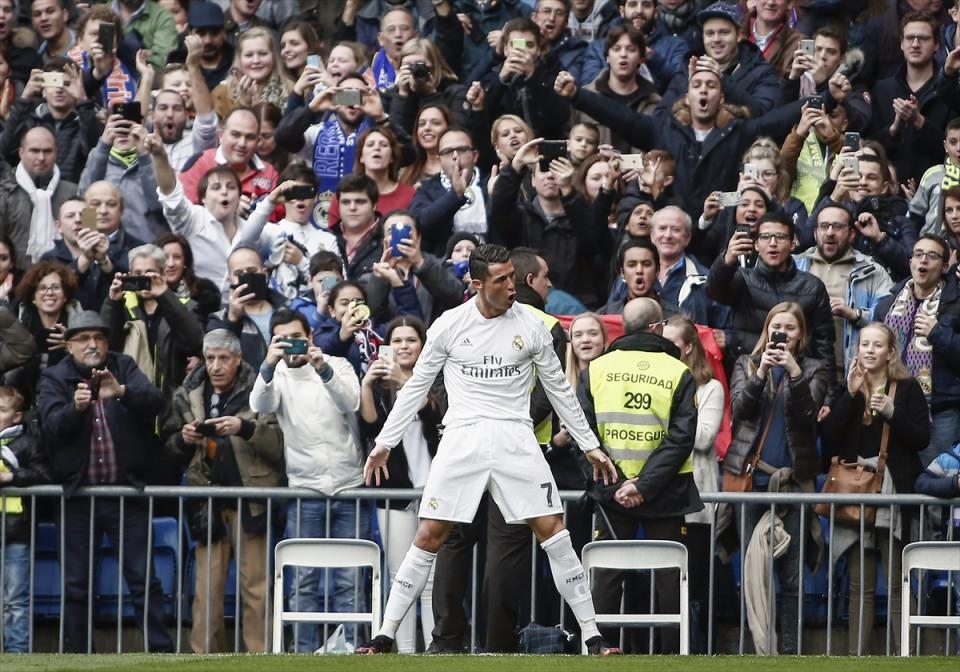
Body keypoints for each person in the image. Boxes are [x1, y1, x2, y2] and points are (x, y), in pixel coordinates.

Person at [356, 243, 622, 656]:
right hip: (461, 438)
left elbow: (560, 391)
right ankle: (385, 635)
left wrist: (590, 445)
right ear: (478, 284)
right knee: (430, 535)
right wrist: (384, 444)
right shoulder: (449, 324)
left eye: (513, 277)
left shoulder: (532, 327)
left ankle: (592, 634)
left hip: (516, 438)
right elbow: (417, 388)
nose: (511, 286)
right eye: (501, 280)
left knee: (555, 530)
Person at [37, 310, 174, 653]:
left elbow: (157, 403)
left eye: (98, 337)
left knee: (143, 579)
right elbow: (50, 429)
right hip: (77, 497)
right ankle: (79, 655)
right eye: (83, 339)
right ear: (68, 346)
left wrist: (123, 391)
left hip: (126, 494)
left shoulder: (123, 365)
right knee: (77, 583)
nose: (93, 344)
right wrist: (75, 409)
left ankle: (159, 652)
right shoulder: (55, 377)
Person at [577, 297, 701, 653]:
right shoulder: (678, 373)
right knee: (669, 579)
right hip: (664, 493)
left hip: (609, 493)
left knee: (605, 576)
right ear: (657, 328)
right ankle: (672, 656)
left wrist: (617, 487)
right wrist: (643, 487)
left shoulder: (595, 371)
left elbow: (582, 436)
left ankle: (598, 651)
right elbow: (681, 440)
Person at [249, 308, 367, 651]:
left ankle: (356, 652)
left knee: (351, 578)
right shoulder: (277, 377)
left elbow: (352, 401)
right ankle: (302, 654)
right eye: (282, 340)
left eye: (296, 338)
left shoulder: (337, 364)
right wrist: (269, 364)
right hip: (304, 487)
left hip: (349, 485)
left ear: (310, 337)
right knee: (303, 578)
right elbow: (259, 403)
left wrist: (323, 367)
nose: (292, 346)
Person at [164, 328, 282, 653]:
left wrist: (244, 428)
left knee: (255, 587)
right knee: (207, 589)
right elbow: (168, 446)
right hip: (207, 501)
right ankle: (204, 658)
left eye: (223, 358)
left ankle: (260, 656)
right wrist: (182, 440)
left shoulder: (261, 388)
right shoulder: (188, 391)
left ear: (238, 359)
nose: (216, 366)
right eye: (210, 358)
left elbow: (278, 444)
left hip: (251, 499)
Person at [723, 301, 830, 655]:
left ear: (801, 336)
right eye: (775, 325)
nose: (781, 332)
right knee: (753, 570)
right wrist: (759, 375)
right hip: (752, 482)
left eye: (790, 327)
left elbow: (807, 418)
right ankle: (755, 648)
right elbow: (739, 410)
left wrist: (795, 374)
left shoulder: (814, 368)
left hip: (795, 481)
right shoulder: (747, 363)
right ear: (767, 330)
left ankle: (791, 649)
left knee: (792, 573)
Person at [820, 322, 929, 655]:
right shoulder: (848, 386)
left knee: (897, 583)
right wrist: (850, 395)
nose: (869, 350)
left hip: (892, 492)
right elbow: (829, 443)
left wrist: (892, 413)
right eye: (864, 344)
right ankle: (856, 656)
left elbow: (920, 439)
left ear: (890, 352)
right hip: (856, 492)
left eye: (877, 345)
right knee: (859, 584)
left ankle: (904, 654)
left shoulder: (907, 388)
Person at [358, 315, 442, 653]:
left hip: (435, 491)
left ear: (423, 346)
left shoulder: (436, 379)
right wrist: (366, 385)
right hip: (393, 494)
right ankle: (405, 652)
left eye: (411, 340)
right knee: (401, 576)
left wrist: (406, 381)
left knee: (433, 581)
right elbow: (370, 430)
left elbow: (436, 417)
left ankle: (435, 649)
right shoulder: (380, 388)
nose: (404, 346)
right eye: (397, 341)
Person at [662, 313, 723, 651]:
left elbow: (702, 438)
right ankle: (670, 647)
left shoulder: (709, 387)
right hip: (662, 495)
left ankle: (699, 650)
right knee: (667, 579)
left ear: (687, 348)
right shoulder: (658, 381)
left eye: (672, 343)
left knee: (697, 581)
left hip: (696, 498)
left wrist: (662, 430)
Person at [877, 234, 960, 467]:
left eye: (932, 256)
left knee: (934, 481)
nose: (923, 261)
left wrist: (937, 333)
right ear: (910, 262)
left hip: (940, 411)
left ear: (945, 266)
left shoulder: (956, 304)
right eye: (918, 254)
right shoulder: (887, 305)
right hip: (891, 405)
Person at [794, 201, 894, 378]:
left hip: (852, 376)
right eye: (824, 226)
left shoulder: (872, 272)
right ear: (815, 233)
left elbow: (890, 322)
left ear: (851, 234)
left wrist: (854, 314)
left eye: (838, 227)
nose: (830, 233)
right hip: (799, 372)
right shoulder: (795, 267)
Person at [100, 243, 204, 399]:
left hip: (172, 398)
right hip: (130, 397)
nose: (143, 278)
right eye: (137, 273)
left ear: (163, 274)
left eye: (149, 273)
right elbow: (106, 346)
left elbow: (195, 342)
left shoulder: (182, 306)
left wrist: (164, 295)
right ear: (129, 274)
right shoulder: (121, 304)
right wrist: (113, 302)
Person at [0, 385, 52, 653]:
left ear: (17, 416)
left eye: (1, 410)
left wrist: (12, 477)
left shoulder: (27, 444)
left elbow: (45, 476)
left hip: (15, 535)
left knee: (15, 600)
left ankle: (17, 655)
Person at [0, 127, 79, 269]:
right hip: (15, 279)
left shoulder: (75, 191)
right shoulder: (4, 193)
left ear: (56, 153)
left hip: (66, 278)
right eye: (35, 151)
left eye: (47, 151)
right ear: (21, 153)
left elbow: (91, 229)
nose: (41, 158)